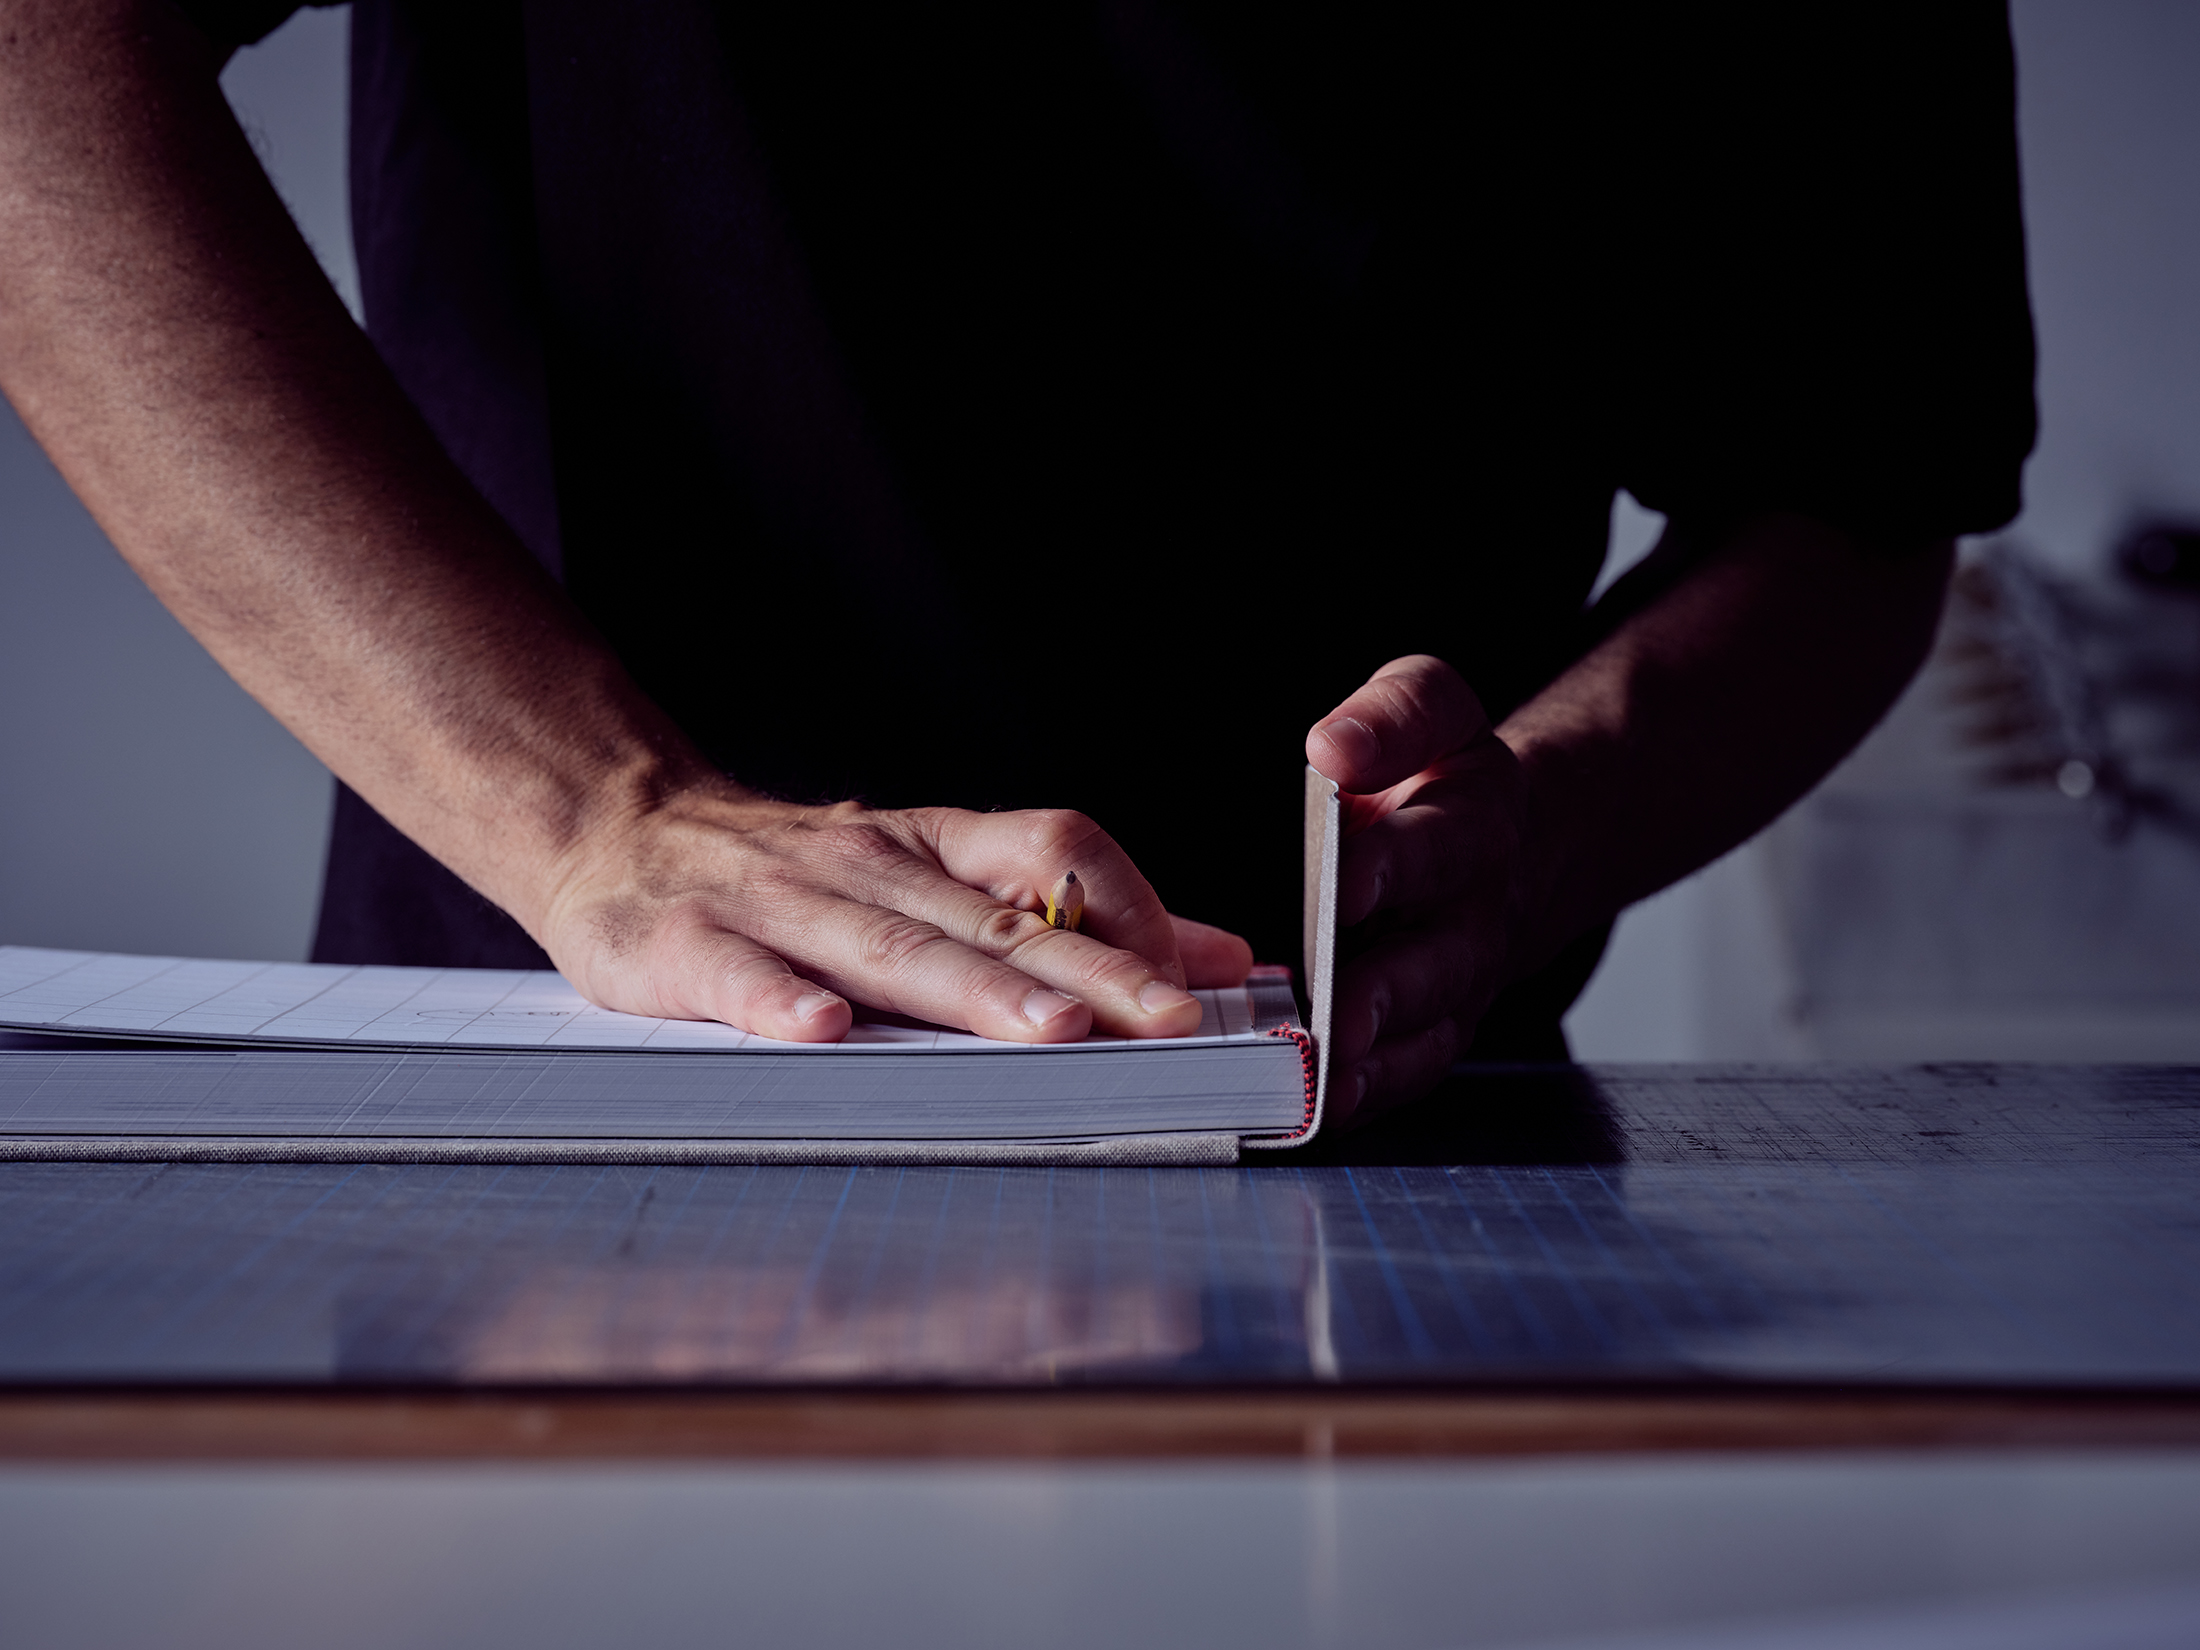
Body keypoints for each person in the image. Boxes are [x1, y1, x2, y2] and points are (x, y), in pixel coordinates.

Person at [0, 2, 2034, 1127]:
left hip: (1373, 1127)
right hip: (568, 1070)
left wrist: (1532, 830)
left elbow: (1850, 473)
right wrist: (599, 819)